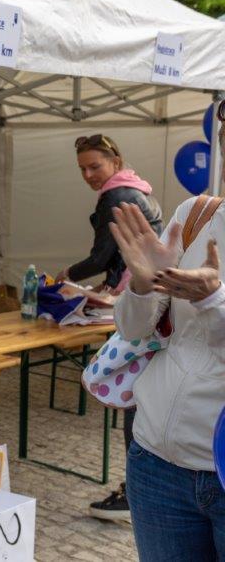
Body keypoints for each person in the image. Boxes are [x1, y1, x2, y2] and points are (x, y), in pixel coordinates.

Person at [109, 101, 225, 561]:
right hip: (155, 463)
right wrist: (142, 285)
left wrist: (212, 301)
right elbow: (134, 330)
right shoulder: (196, 214)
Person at [53, 133, 163, 522]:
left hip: (141, 303)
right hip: (151, 299)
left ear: (115, 162)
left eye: (94, 166)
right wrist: (110, 282)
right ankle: (141, 491)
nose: (88, 174)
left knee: (133, 395)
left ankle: (136, 494)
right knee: (141, 394)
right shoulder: (140, 190)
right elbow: (121, 255)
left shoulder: (116, 196)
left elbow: (101, 256)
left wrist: (67, 275)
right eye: (82, 168)